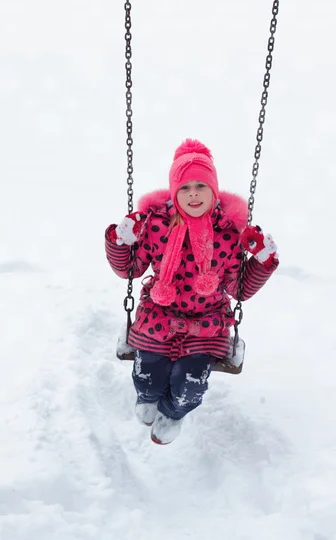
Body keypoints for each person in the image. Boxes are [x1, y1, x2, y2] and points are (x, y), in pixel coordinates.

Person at [105, 139, 279, 445]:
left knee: (190, 386)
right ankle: (147, 398)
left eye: (201, 185)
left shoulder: (227, 235)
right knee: (147, 376)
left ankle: (173, 413)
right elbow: (129, 270)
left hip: (206, 324)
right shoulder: (157, 227)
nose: (193, 193)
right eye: (185, 188)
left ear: (214, 190)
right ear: (174, 193)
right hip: (157, 317)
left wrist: (262, 262)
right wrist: (122, 243)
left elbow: (239, 288)